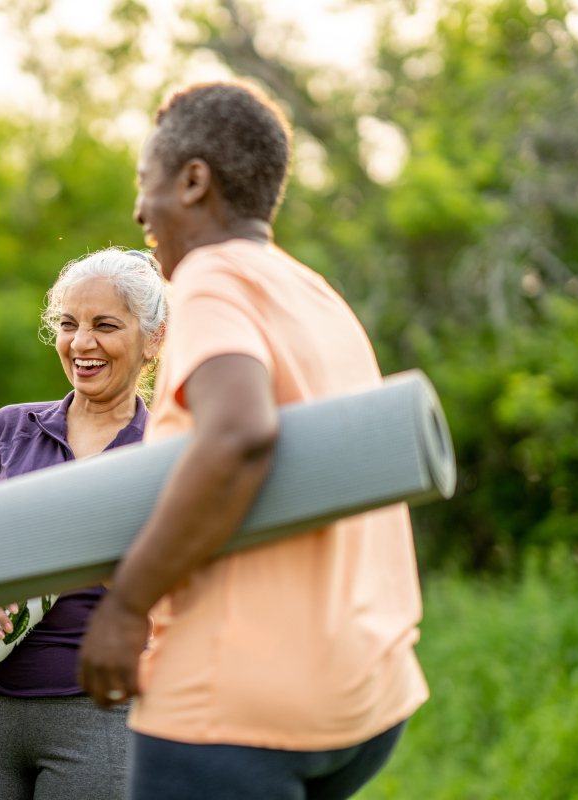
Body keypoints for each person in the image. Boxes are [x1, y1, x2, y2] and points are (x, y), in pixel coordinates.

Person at [77, 82, 429, 800]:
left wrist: (126, 606)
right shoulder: (315, 293)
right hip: (362, 697)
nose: (140, 211)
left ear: (194, 181)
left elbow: (238, 436)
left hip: (235, 705)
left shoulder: (210, 280)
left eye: (147, 185)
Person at [0, 248, 168, 800]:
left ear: (152, 340)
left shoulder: (167, 453)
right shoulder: (9, 429)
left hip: (99, 713)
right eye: (68, 324)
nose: (82, 343)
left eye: (105, 325)